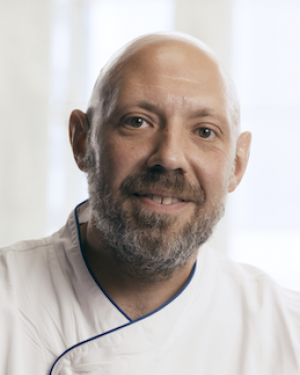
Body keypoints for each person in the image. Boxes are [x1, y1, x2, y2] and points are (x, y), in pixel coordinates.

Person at [0, 32, 299, 375]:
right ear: (82, 141)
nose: (170, 157)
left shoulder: (287, 334)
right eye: (137, 121)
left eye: (204, 132)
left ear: (236, 165)